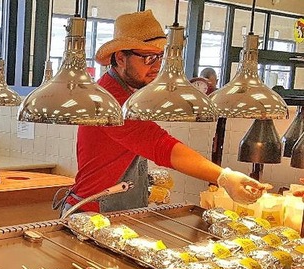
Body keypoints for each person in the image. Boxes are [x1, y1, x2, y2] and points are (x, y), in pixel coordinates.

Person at [57, 10, 270, 215]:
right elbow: (159, 145)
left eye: (161, 57)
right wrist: (224, 177)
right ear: (121, 58)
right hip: (92, 212)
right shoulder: (110, 99)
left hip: (118, 210)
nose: (157, 67)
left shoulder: (132, 95)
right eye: (149, 58)